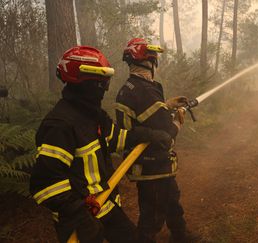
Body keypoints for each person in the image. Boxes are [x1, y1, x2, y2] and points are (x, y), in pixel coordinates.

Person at [29, 46, 169, 243]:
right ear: (85, 82)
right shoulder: (60, 126)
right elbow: (45, 183)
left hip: (106, 206)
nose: (105, 86)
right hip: (79, 219)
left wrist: (148, 134)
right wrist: (80, 217)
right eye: (101, 81)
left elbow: (116, 138)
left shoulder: (92, 114)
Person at [115, 38, 200, 243]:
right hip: (151, 166)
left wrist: (167, 105)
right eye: (154, 60)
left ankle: (180, 237)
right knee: (151, 218)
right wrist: (178, 121)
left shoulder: (133, 87)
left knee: (172, 203)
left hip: (155, 165)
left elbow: (148, 118)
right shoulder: (144, 91)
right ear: (149, 62)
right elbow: (164, 132)